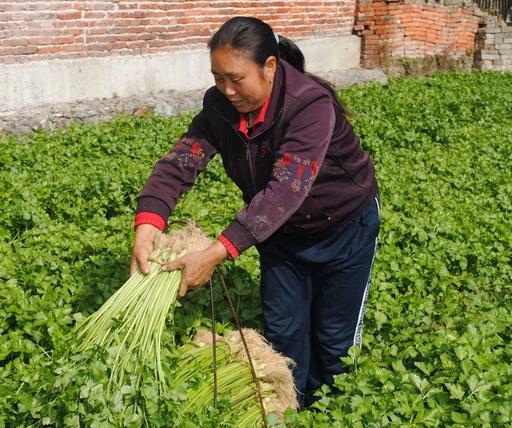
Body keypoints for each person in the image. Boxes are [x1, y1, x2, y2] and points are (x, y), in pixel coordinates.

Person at [130, 16, 380, 407]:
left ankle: (334, 408)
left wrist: (216, 253)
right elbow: (181, 163)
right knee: (283, 331)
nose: (226, 90)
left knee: (335, 338)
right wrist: (148, 223)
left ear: (270, 67)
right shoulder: (220, 108)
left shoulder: (309, 105)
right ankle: (292, 408)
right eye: (217, 77)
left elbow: (285, 191)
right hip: (280, 234)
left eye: (236, 78)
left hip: (343, 228)